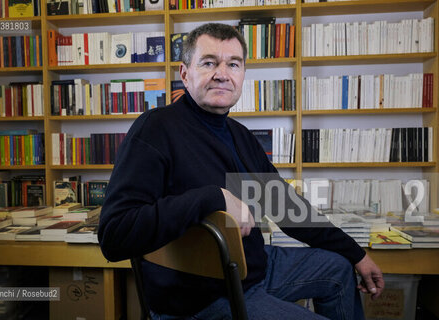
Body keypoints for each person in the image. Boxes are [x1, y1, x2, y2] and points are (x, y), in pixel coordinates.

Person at [98, 23, 384, 320]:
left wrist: (357, 254)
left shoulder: (241, 136)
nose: (222, 73)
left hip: (252, 270)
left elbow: (286, 208)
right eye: (209, 63)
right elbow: (114, 235)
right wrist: (214, 198)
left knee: (339, 268)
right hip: (199, 298)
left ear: (242, 74)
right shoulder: (156, 129)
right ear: (185, 74)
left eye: (233, 64)